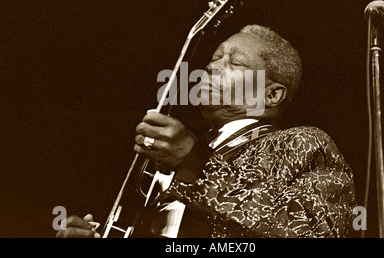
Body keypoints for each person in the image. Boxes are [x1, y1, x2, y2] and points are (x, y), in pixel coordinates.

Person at [56, 24, 356, 238]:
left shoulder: (303, 143)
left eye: (235, 62)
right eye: (215, 57)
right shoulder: (185, 148)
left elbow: (310, 233)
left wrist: (195, 164)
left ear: (272, 95)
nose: (212, 67)